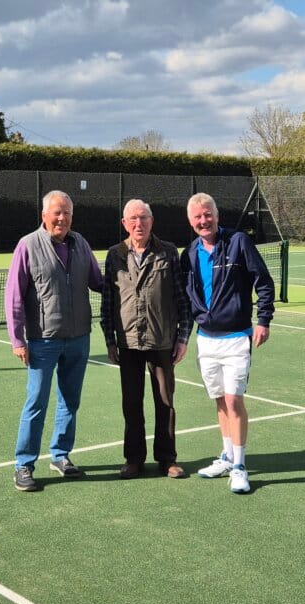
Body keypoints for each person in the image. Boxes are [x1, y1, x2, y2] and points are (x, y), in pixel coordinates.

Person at [5, 190, 103, 492]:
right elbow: (14, 296)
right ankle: (24, 464)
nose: (62, 218)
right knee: (36, 402)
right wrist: (17, 339)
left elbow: (98, 282)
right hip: (42, 341)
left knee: (69, 401)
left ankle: (60, 455)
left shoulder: (81, 244)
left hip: (78, 338)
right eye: (57, 213)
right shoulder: (28, 246)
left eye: (68, 214)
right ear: (44, 215)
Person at [180, 192, 275, 494]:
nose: (203, 221)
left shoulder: (238, 243)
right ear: (190, 221)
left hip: (236, 338)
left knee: (234, 400)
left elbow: (263, 281)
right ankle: (226, 455)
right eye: (197, 216)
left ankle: (240, 466)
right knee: (220, 399)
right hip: (206, 339)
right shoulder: (191, 253)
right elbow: (186, 296)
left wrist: (263, 320)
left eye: (208, 214)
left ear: (217, 216)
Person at [100, 199, 193, 479]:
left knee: (165, 402)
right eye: (133, 219)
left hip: (162, 340)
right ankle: (134, 459)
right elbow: (107, 301)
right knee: (131, 404)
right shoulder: (114, 254)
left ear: (152, 221)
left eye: (143, 218)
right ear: (124, 224)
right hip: (127, 342)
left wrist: (183, 337)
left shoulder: (169, 252)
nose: (138, 224)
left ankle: (167, 459)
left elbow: (182, 299)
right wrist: (110, 341)